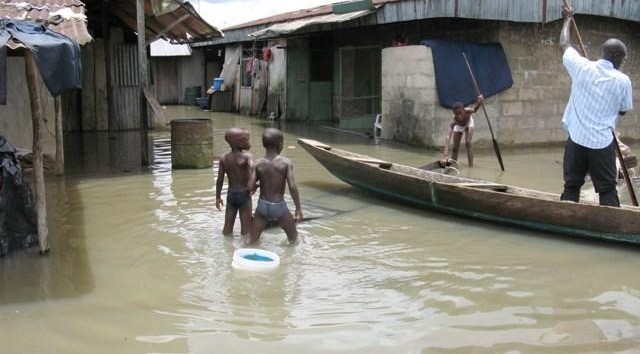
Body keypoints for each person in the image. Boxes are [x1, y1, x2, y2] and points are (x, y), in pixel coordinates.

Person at [559, 4, 633, 207]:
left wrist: (567, 19)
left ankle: (566, 218)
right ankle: (611, 226)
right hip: (601, 143)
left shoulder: (582, 67)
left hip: (576, 139)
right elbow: (623, 110)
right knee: (607, 189)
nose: (623, 62)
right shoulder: (623, 80)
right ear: (617, 57)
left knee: (571, 185)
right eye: (623, 58)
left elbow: (565, 45)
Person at [245, 128, 302, 244]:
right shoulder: (286, 163)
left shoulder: (258, 163)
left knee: (251, 239)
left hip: (262, 206)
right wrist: (298, 208)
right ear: (280, 144)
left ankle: (242, 253)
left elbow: (249, 186)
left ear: (263, 145)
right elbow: (292, 187)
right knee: (294, 238)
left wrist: (257, 186)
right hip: (279, 207)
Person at [215, 127, 254, 236]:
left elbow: (220, 180)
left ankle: (227, 249)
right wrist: (254, 185)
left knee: (227, 229)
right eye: (247, 139)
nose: (250, 142)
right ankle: (245, 247)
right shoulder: (248, 157)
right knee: (246, 231)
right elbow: (253, 170)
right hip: (244, 195)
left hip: (231, 195)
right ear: (239, 144)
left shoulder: (224, 158)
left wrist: (218, 197)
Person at [441, 95, 484, 167]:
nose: (459, 116)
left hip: (468, 123)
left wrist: (480, 102)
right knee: (455, 148)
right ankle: (453, 165)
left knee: (468, 142)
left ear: (463, 110)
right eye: (456, 114)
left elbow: (475, 109)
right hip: (459, 126)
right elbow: (448, 137)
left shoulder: (468, 111)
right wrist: (445, 154)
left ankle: (471, 166)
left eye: (460, 113)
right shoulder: (454, 121)